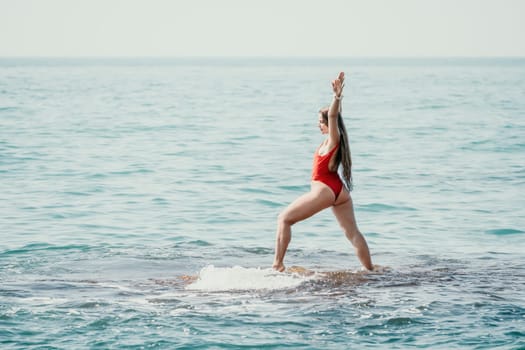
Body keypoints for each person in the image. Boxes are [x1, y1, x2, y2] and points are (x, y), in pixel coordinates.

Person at [272, 72, 374, 272]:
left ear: (329, 126)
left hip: (325, 190)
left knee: (284, 219)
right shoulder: (332, 142)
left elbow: (334, 115)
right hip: (339, 192)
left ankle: (277, 265)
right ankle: (370, 269)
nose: (318, 124)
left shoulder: (332, 141)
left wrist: (336, 97)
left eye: (320, 121)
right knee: (352, 233)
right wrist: (336, 102)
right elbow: (336, 116)